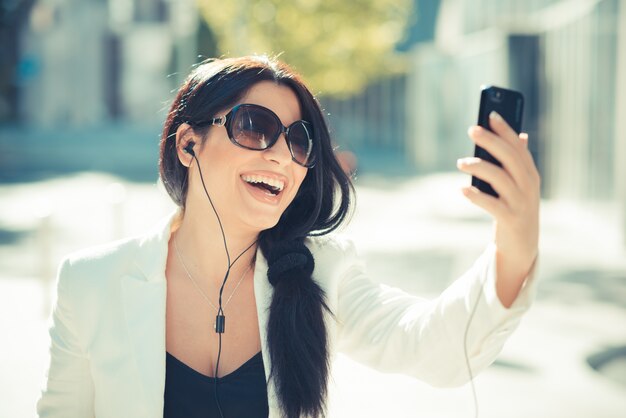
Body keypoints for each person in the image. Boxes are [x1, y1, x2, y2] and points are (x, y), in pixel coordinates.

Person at [37, 55, 540, 418]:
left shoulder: (324, 273)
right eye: (255, 127)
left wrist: (516, 239)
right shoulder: (91, 283)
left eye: (299, 141)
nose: (281, 155)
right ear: (189, 143)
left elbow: (437, 347)